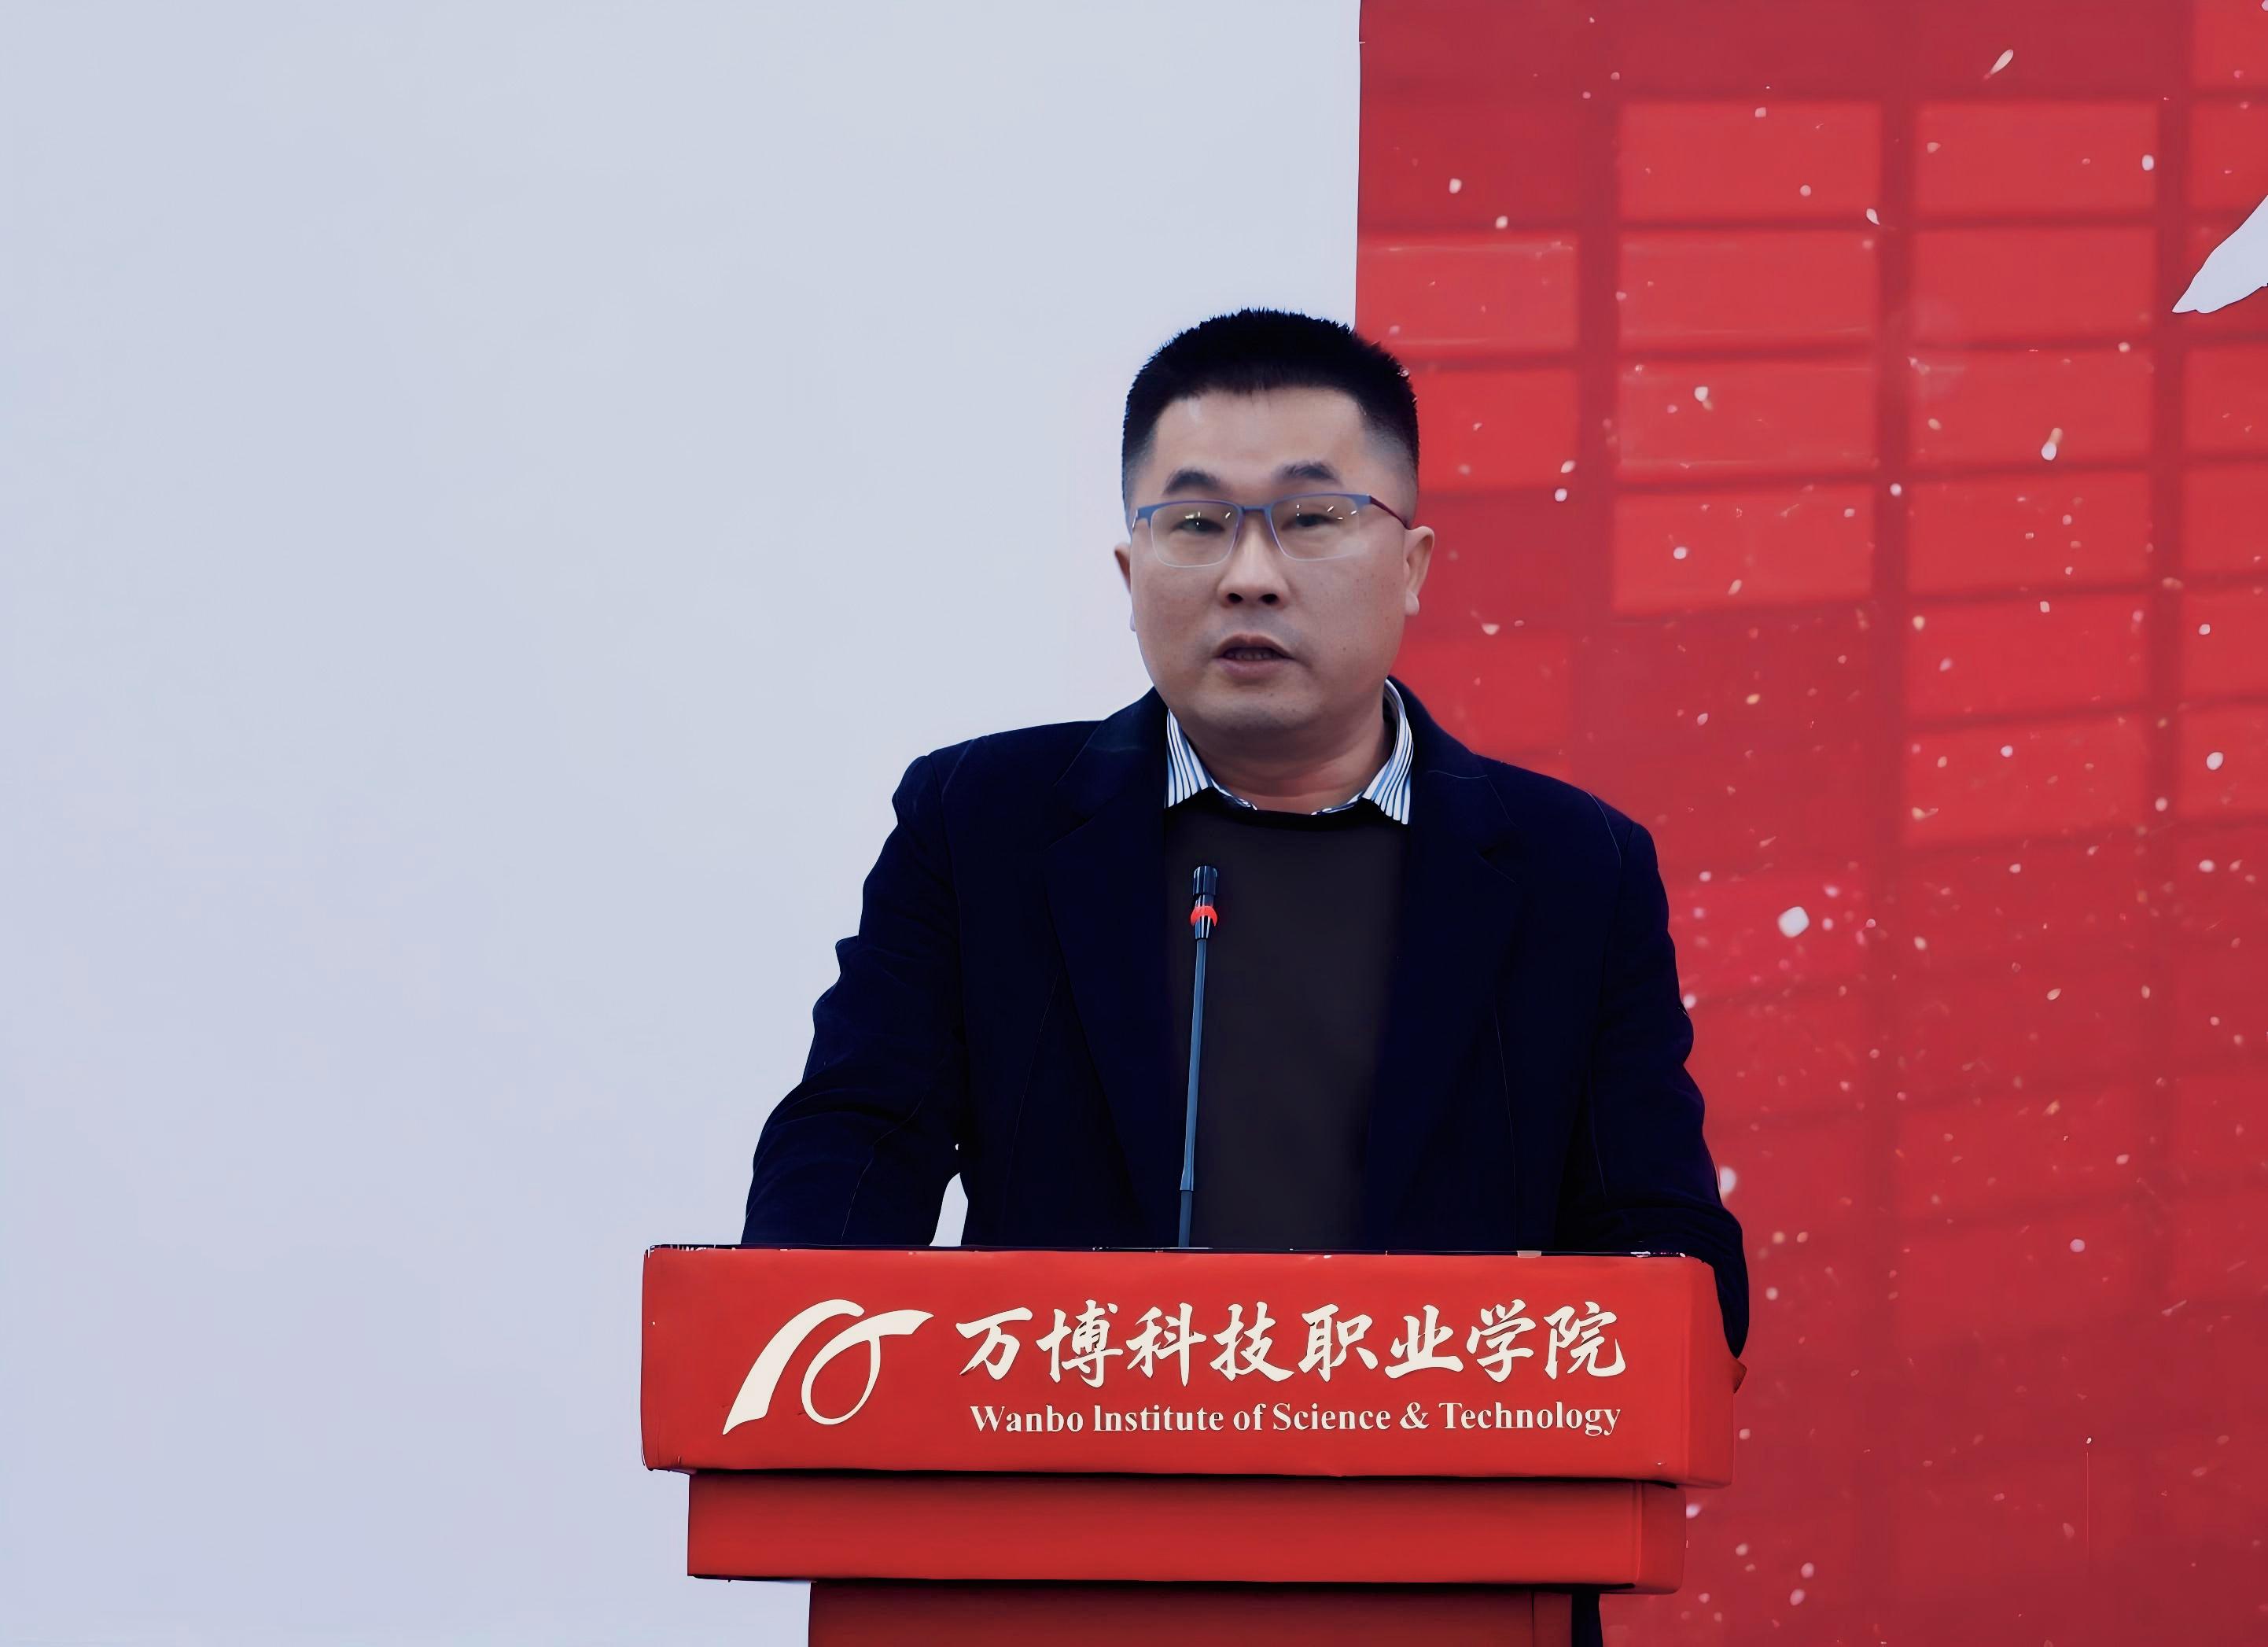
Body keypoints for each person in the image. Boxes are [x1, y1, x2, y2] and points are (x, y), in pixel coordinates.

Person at [740, 308, 1746, 1645]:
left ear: (1413, 563)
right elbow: (854, 1144)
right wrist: (793, 1338)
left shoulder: (1574, 868)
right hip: (1037, 1579)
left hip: (1436, 1585)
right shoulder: (978, 825)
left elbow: (1663, 1243)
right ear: (1130, 564)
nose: (1251, 575)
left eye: (1314, 518)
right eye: (1198, 523)